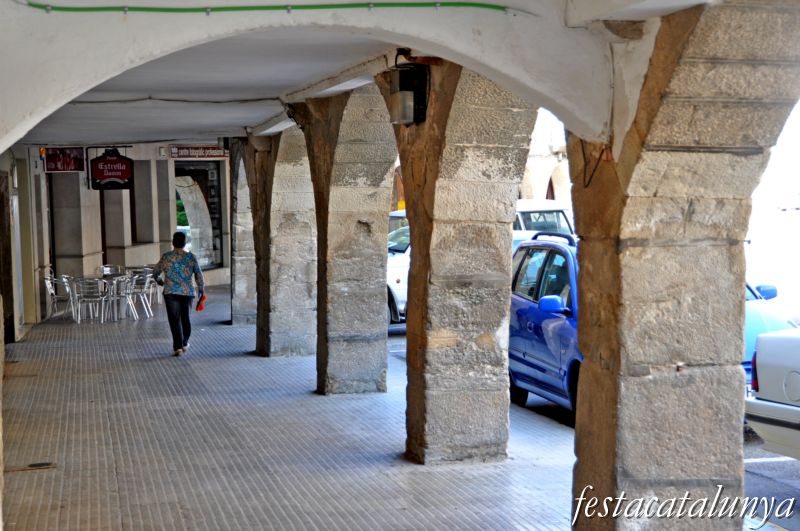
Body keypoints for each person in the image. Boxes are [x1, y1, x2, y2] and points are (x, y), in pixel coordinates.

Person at [154, 231, 204, 356]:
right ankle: (185, 342)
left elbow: (155, 272)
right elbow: (198, 274)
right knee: (185, 318)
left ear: (172, 242)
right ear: (185, 243)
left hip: (170, 292)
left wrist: (160, 281)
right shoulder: (191, 257)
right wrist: (201, 288)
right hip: (187, 292)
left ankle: (178, 347)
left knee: (174, 319)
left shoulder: (166, 257)